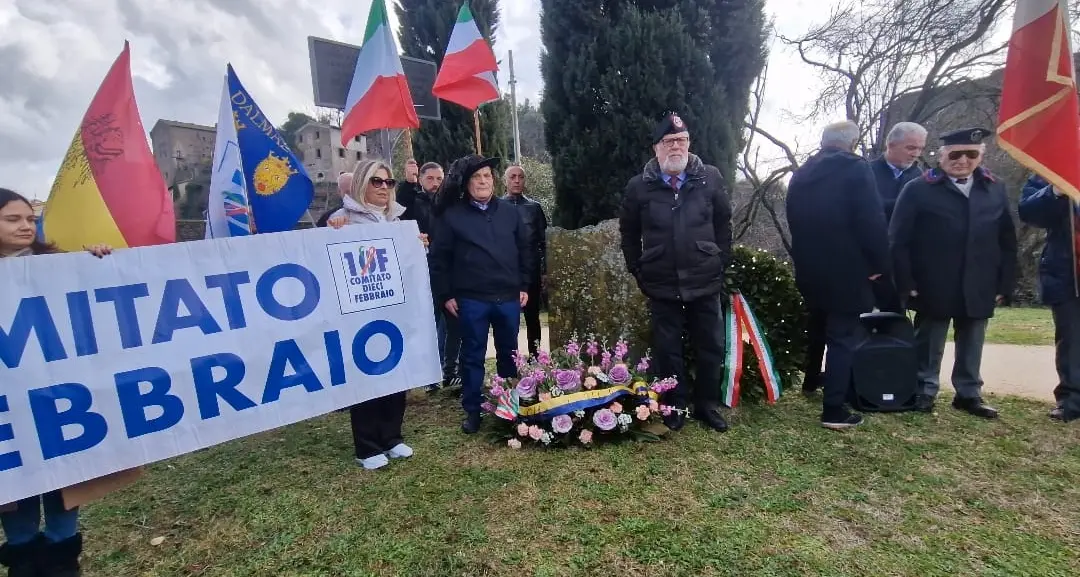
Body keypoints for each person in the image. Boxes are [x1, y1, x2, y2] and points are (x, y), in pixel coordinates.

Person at [0, 188, 112, 577]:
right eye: (12, 219)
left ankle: (63, 559)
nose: (25, 226)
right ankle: (23, 557)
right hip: (9, 402)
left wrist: (95, 259)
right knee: (15, 481)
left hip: (58, 396)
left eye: (30, 219)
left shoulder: (55, 265)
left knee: (64, 476)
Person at [889, 127, 1017, 418]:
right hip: (932, 281)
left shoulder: (994, 187)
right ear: (942, 156)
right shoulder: (918, 189)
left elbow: (1007, 240)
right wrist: (906, 281)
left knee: (973, 340)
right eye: (956, 154)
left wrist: (1004, 283)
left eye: (971, 154)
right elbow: (898, 241)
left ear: (980, 157)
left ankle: (968, 394)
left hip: (980, 280)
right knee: (929, 341)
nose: (963, 161)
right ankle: (924, 390)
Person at [618, 112, 732, 432]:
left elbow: (723, 223)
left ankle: (707, 405)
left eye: (681, 140)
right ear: (656, 148)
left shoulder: (710, 177)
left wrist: (720, 262)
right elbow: (628, 233)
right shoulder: (639, 186)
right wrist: (637, 268)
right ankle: (674, 405)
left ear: (689, 143)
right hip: (661, 281)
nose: (676, 147)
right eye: (668, 142)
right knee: (667, 350)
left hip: (704, 278)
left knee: (710, 346)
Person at [785, 120, 891, 430]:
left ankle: (810, 381)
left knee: (818, 326)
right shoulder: (856, 169)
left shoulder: (802, 173)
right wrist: (879, 266)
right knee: (843, 337)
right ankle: (833, 409)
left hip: (810, 267)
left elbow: (793, 219)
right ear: (852, 143)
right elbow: (871, 221)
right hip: (848, 269)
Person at [429, 155, 531, 434]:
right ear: (466, 183)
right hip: (471, 299)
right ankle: (473, 410)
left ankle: (509, 407)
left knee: (509, 354)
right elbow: (439, 259)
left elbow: (525, 250)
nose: (483, 181)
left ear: (494, 180)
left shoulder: (510, 212)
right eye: (477, 177)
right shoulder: (452, 216)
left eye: (487, 176)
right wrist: (445, 294)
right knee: (472, 356)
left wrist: (524, 285)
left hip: (507, 297)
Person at [327, 159, 419, 469]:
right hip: (359, 314)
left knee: (395, 372)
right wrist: (332, 232)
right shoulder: (341, 220)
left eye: (388, 182)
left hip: (395, 310)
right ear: (360, 184)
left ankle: (391, 437)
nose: (383, 187)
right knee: (366, 376)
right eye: (375, 181)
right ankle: (366, 447)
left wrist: (419, 247)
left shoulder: (397, 221)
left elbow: (408, 267)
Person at [1018, 173, 1080, 422]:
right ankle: (1072, 400)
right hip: (1069, 273)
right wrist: (1055, 190)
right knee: (1072, 340)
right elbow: (1029, 212)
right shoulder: (1051, 168)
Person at [502, 165, 548, 358]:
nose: (517, 180)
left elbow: (544, 241)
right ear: (505, 180)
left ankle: (535, 357)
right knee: (507, 319)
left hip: (531, 271)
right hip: (505, 272)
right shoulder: (497, 206)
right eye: (512, 176)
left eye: (520, 177)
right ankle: (511, 360)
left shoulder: (534, 208)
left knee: (532, 317)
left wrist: (545, 271)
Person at [872, 122, 927, 223]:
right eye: (911, 148)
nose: (916, 154)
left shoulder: (918, 175)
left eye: (920, 149)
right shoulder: (867, 172)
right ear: (891, 145)